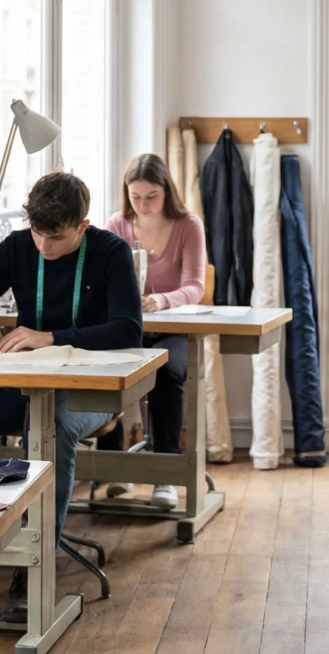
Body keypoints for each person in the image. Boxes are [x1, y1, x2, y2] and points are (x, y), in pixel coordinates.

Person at [0, 171, 141, 618]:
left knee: (50, 426)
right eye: (38, 233)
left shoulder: (111, 252)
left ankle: (35, 565)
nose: (43, 246)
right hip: (22, 388)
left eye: (55, 238)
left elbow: (128, 329)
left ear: (82, 226)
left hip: (84, 394)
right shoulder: (19, 245)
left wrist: (52, 337)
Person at [98, 153, 206, 508]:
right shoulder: (117, 224)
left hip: (172, 328)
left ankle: (166, 475)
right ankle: (114, 469)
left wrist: (162, 300)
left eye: (151, 197)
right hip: (130, 327)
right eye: (135, 197)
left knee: (169, 374)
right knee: (108, 374)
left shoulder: (189, 226)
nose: (142, 205)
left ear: (166, 192)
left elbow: (196, 286)